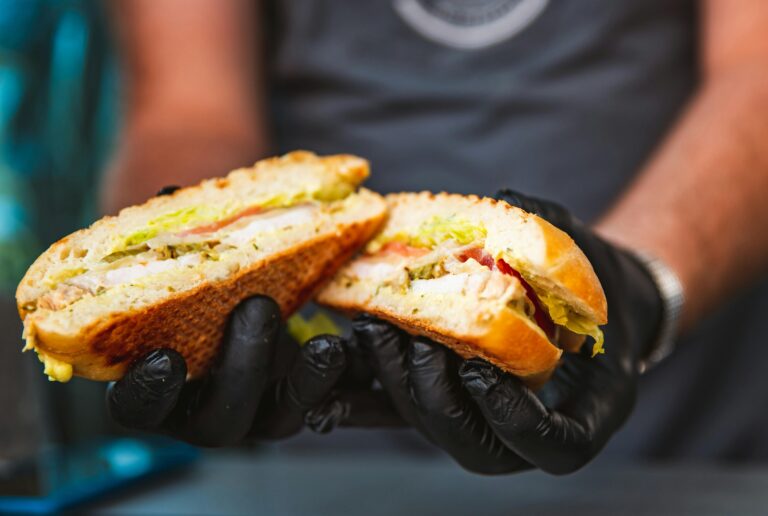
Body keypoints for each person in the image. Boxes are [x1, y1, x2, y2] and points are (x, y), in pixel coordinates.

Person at [103, 0, 768, 472]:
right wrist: (187, 287)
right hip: (322, 449)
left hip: (685, 452)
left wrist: (643, 287)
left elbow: (756, 67)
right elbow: (187, 107)